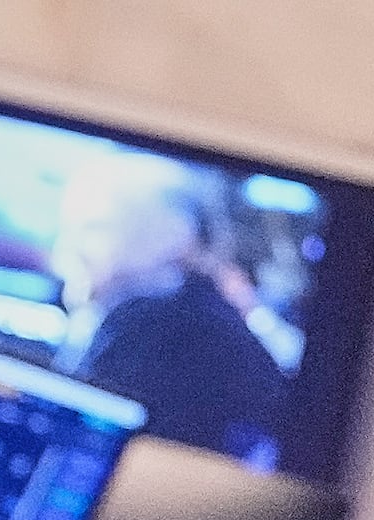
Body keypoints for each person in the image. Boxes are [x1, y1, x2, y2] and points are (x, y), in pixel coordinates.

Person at [52, 154, 290, 464]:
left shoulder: (161, 328)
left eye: (95, 228)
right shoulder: (187, 311)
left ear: (172, 235)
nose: (67, 252)